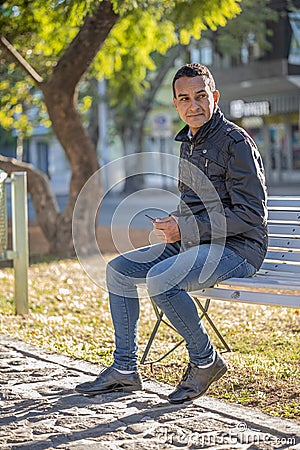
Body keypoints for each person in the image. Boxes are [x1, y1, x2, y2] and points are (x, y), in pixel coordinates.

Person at [75, 63, 268, 404]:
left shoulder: (236, 142)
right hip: (194, 241)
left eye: (201, 96)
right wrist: (176, 222)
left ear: (215, 97)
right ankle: (125, 369)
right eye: (184, 99)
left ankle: (205, 361)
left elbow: (251, 214)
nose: (193, 105)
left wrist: (186, 227)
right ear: (176, 104)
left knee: (162, 279)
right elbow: (196, 202)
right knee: (118, 270)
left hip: (238, 248)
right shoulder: (189, 142)